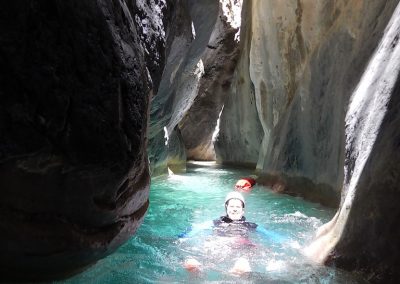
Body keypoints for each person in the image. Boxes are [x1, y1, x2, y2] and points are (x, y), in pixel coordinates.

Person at [179, 191, 286, 275]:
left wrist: (290, 243)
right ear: (226, 208)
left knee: (242, 262)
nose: (234, 209)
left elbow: (271, 235)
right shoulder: (215, 223)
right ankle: (199, 270)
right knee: (194, 260)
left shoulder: (250, 225)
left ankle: (236, 272)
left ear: (243, 210)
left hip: (241, 248)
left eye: (238, 207)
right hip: (219, 247)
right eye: (231, 206)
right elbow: (196, 229)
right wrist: (181, 237)